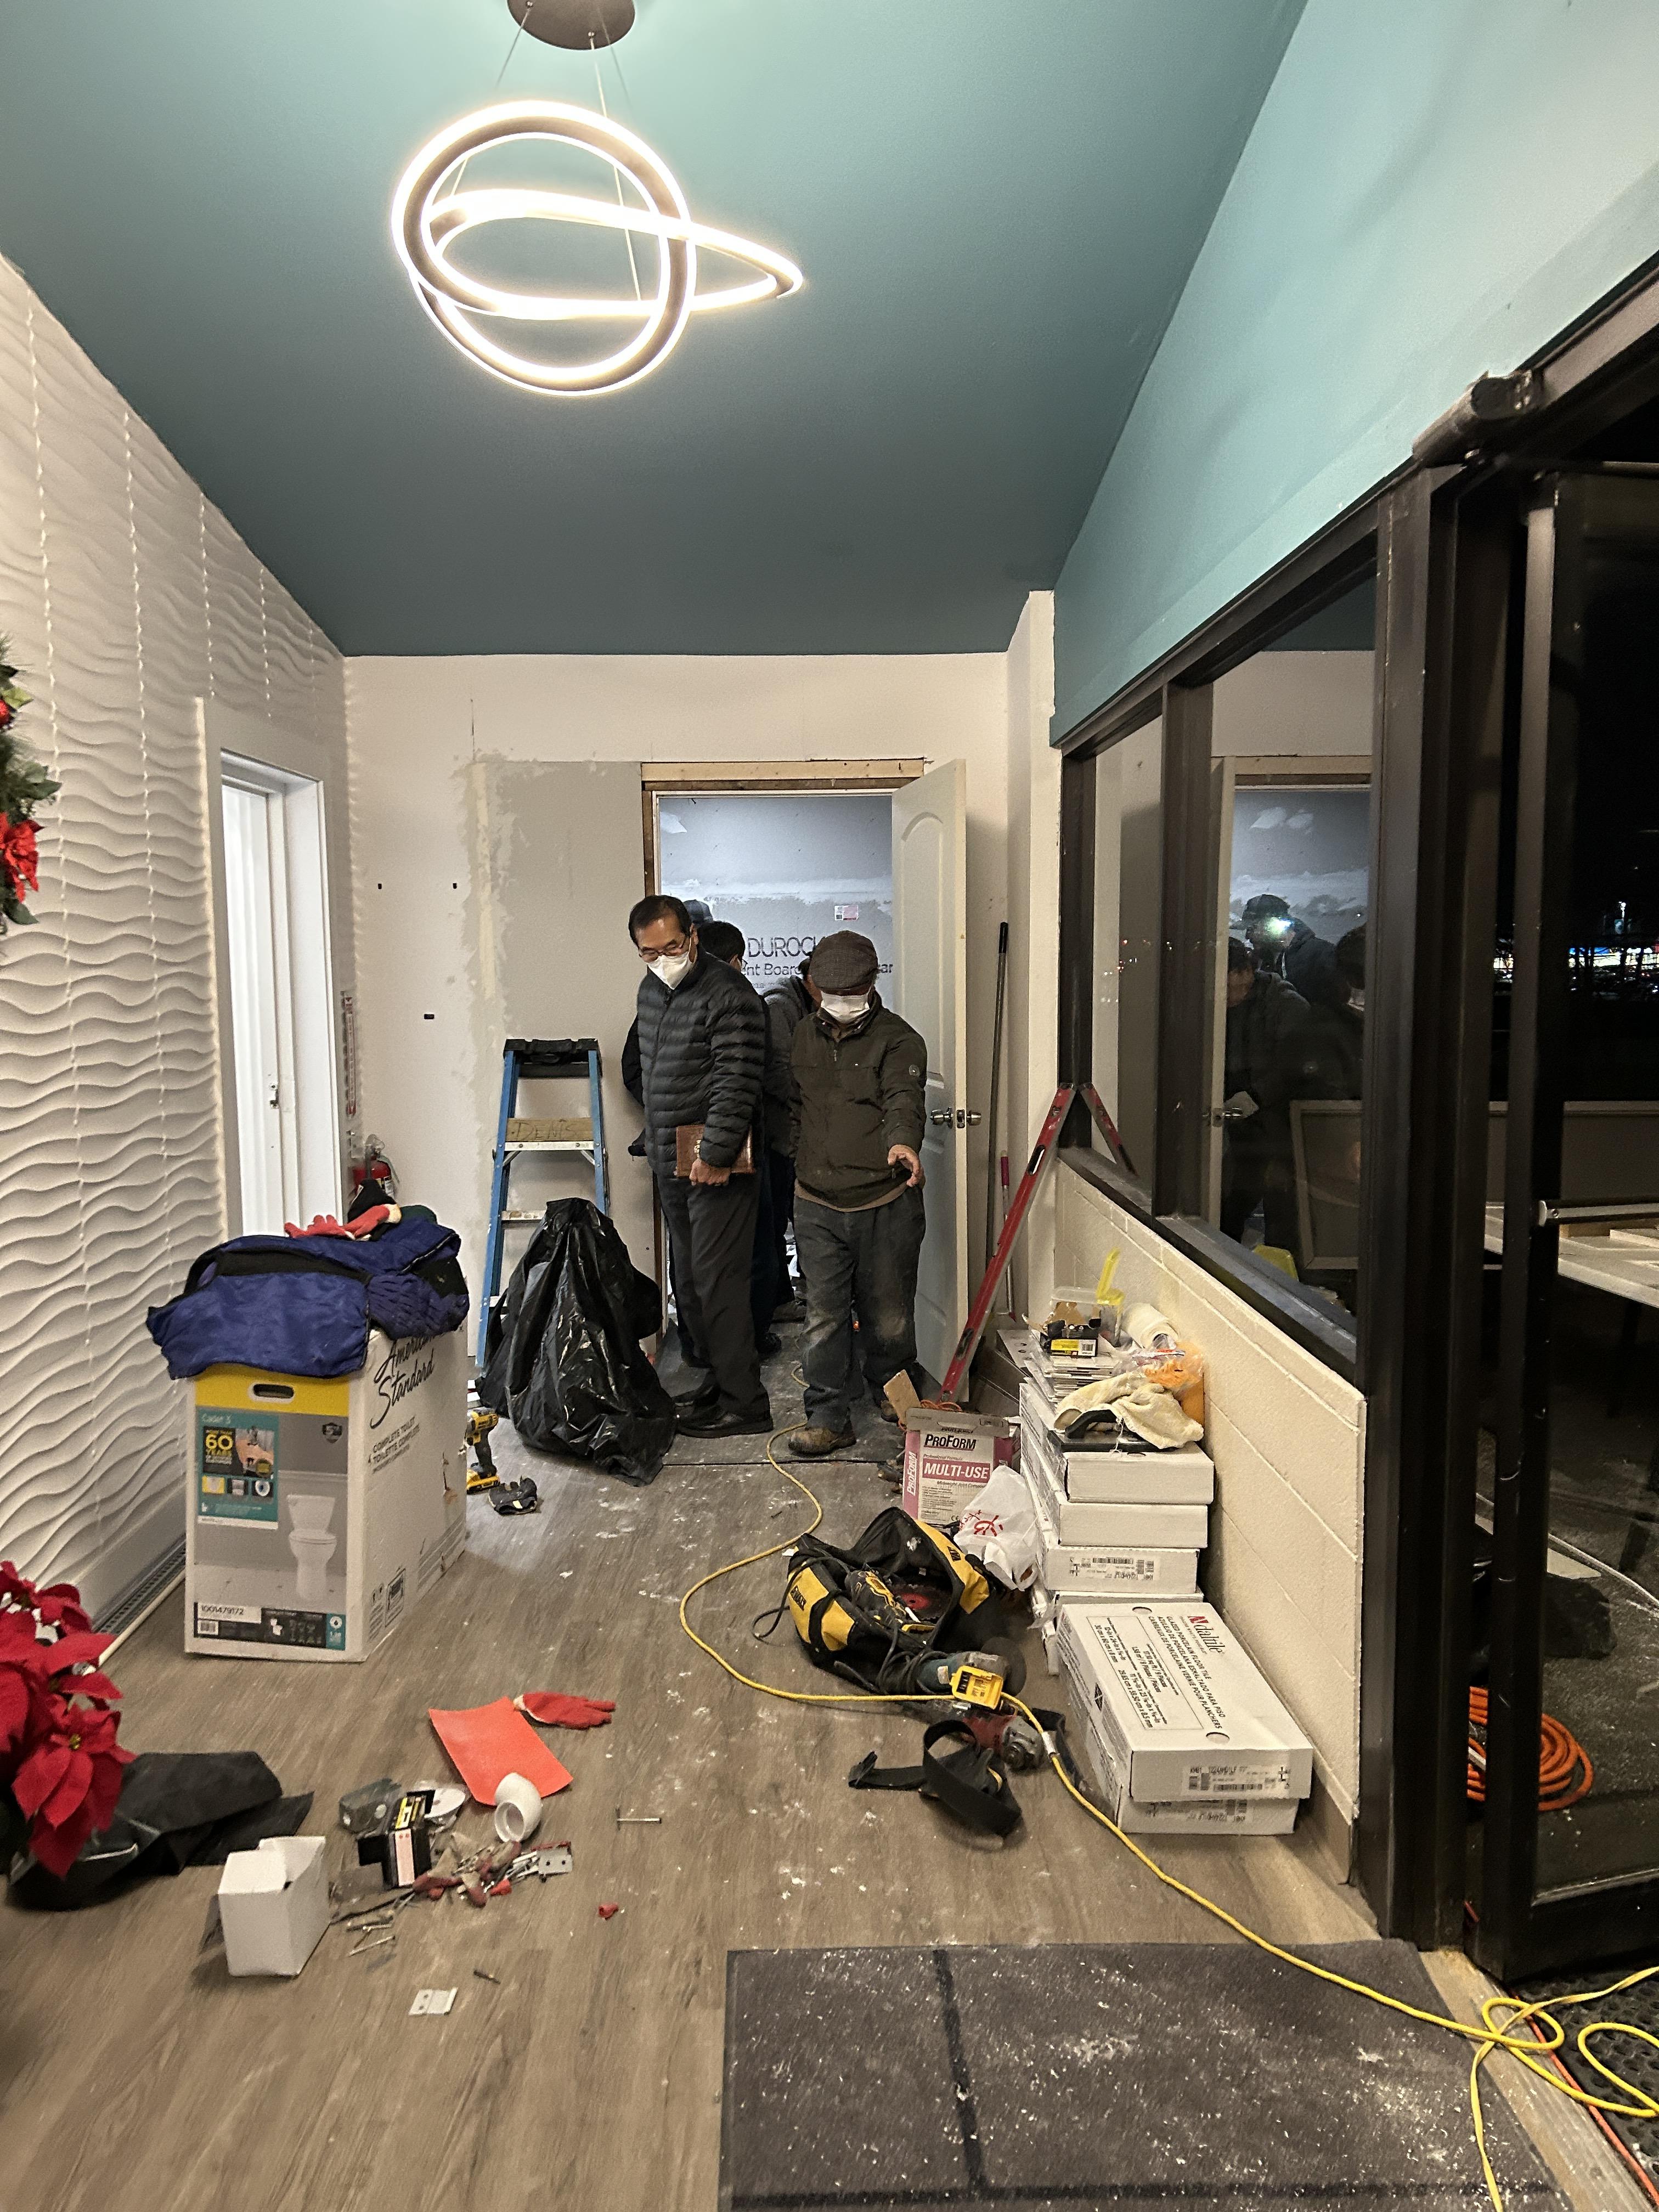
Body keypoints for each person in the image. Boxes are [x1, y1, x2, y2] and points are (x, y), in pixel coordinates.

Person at [629, 894, 770, 1437]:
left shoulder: (729, 994)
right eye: (649, 952)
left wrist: (715, 1153)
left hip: (714, 1158)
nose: (662, 959)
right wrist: (656, 1142)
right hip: (670, 1155)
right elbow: (654, 1072)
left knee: (718, 1282)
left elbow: (738, 1079)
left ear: (692, 936)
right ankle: (719, 1382)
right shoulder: (651, 990)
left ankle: (746, 1402)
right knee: (689, 1281)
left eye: (672, 947)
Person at [786, 932, 928, 1458]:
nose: (842, 1001)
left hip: (884, 1201)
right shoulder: (801, 1036)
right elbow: (791, 1105)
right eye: (832, 992)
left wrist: (903, 1144)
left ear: (871, 984)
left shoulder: (900, 1040)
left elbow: (903, 1098)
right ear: (814, 986)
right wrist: (796, 1155)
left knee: (889, 1315)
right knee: (823, 1318)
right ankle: (827, 1417)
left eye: (851, 992)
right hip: (817, 1201)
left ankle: (894, 1394)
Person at [698, 918, 787, 1361]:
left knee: (706, 1253)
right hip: (741, 1146)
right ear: (736, 961)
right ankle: (748, 1341)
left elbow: (637, 1072)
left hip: (696, 1146)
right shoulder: (748, 1003)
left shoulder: (672, 1000)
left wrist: (685, 1116)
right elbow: (759, 1077)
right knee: (755, 1247)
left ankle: (708, 1347)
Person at [1221, 935, 1319, 1261]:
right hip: (1241, 1120)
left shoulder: (1286, 1005)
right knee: (1232, 1201)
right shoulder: (1226, 1006)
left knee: (1279, 1204)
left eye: (1226, 984)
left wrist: (1256, 1096)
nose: (1221, 995)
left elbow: (1297, 1067)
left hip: (1278, 1122)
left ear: (1245, 972)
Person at [761, 955, 816, 1313]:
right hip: (781, 1134)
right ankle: (781, 1299)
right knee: (779, 1218)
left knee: (802, 1216)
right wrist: (818, 1100)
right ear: (810, 979)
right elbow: (777, 1072)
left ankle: (805, 1288)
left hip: (802, 1130)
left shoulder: (808, 1005)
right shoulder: (780, 1006)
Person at [1240, 893, 1346, 1014]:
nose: (1247, 936)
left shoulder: (1321, 954)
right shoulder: (1261, 960)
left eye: (1252, 929)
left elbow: (1338, 1004)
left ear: (1272, 925)